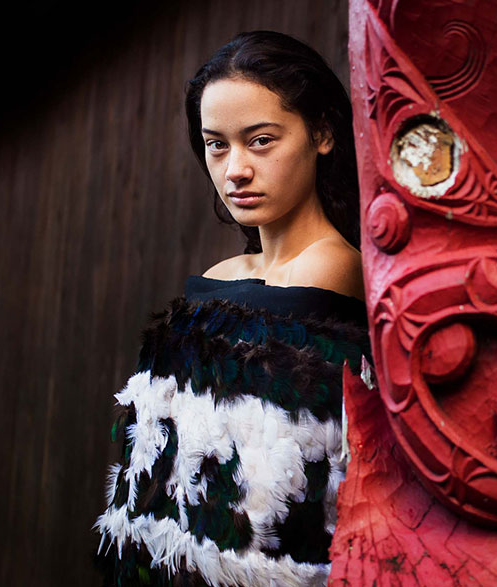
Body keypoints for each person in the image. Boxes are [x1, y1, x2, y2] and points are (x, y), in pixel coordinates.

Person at [94, 31, 370, 587]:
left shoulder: (331, 269)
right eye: (216, 144)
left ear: (322, 133)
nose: (234, 170)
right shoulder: (222, 277)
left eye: (261, 140)